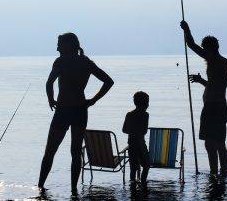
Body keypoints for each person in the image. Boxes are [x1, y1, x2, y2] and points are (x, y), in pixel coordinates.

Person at [38, 33, 114, 195]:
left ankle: (40, 187)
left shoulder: (61, 62)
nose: (57, 47)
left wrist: (51, 99)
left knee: (50, 150)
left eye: (59, 44)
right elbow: (108, 81)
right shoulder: (86, 62)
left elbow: (49, 82)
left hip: (64, 111)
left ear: (68, 45)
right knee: (75, 152)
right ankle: (73, 190)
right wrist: (93, 100)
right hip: (80, 110)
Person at [180, 20, 227, 176]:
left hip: (212, 107)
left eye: (204, 49)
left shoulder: (214, 60)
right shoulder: (224, 62)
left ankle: (214, 172)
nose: (203, 52)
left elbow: (191, 44)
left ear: (209, 48)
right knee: (220, 142)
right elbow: (216, 85)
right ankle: (222, 171)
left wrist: (186, 29)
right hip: (220, 105)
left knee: (210, 143)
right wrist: (201, 81)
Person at [122, 91, 150, 185]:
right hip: (141, 145)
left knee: (133, 168)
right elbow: (144, 131)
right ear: (146, 104)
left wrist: (132, 131)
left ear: (135, 102)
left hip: (131, 145)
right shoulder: (145, 115)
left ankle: (132, 186)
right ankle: (143, 183)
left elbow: (124, 130)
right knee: (146, 165)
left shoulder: (129, 114)